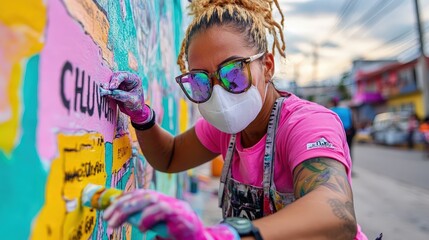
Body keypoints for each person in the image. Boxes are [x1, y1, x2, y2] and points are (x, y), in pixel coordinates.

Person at [101, 0, 368, 239]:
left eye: (233, 71)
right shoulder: (225, 129)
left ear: (267, 66)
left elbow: (337, 215)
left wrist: (228, 234)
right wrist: (141, 116)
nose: (219, 92)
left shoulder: (306, 123)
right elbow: (170, 157)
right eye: (200, 80)